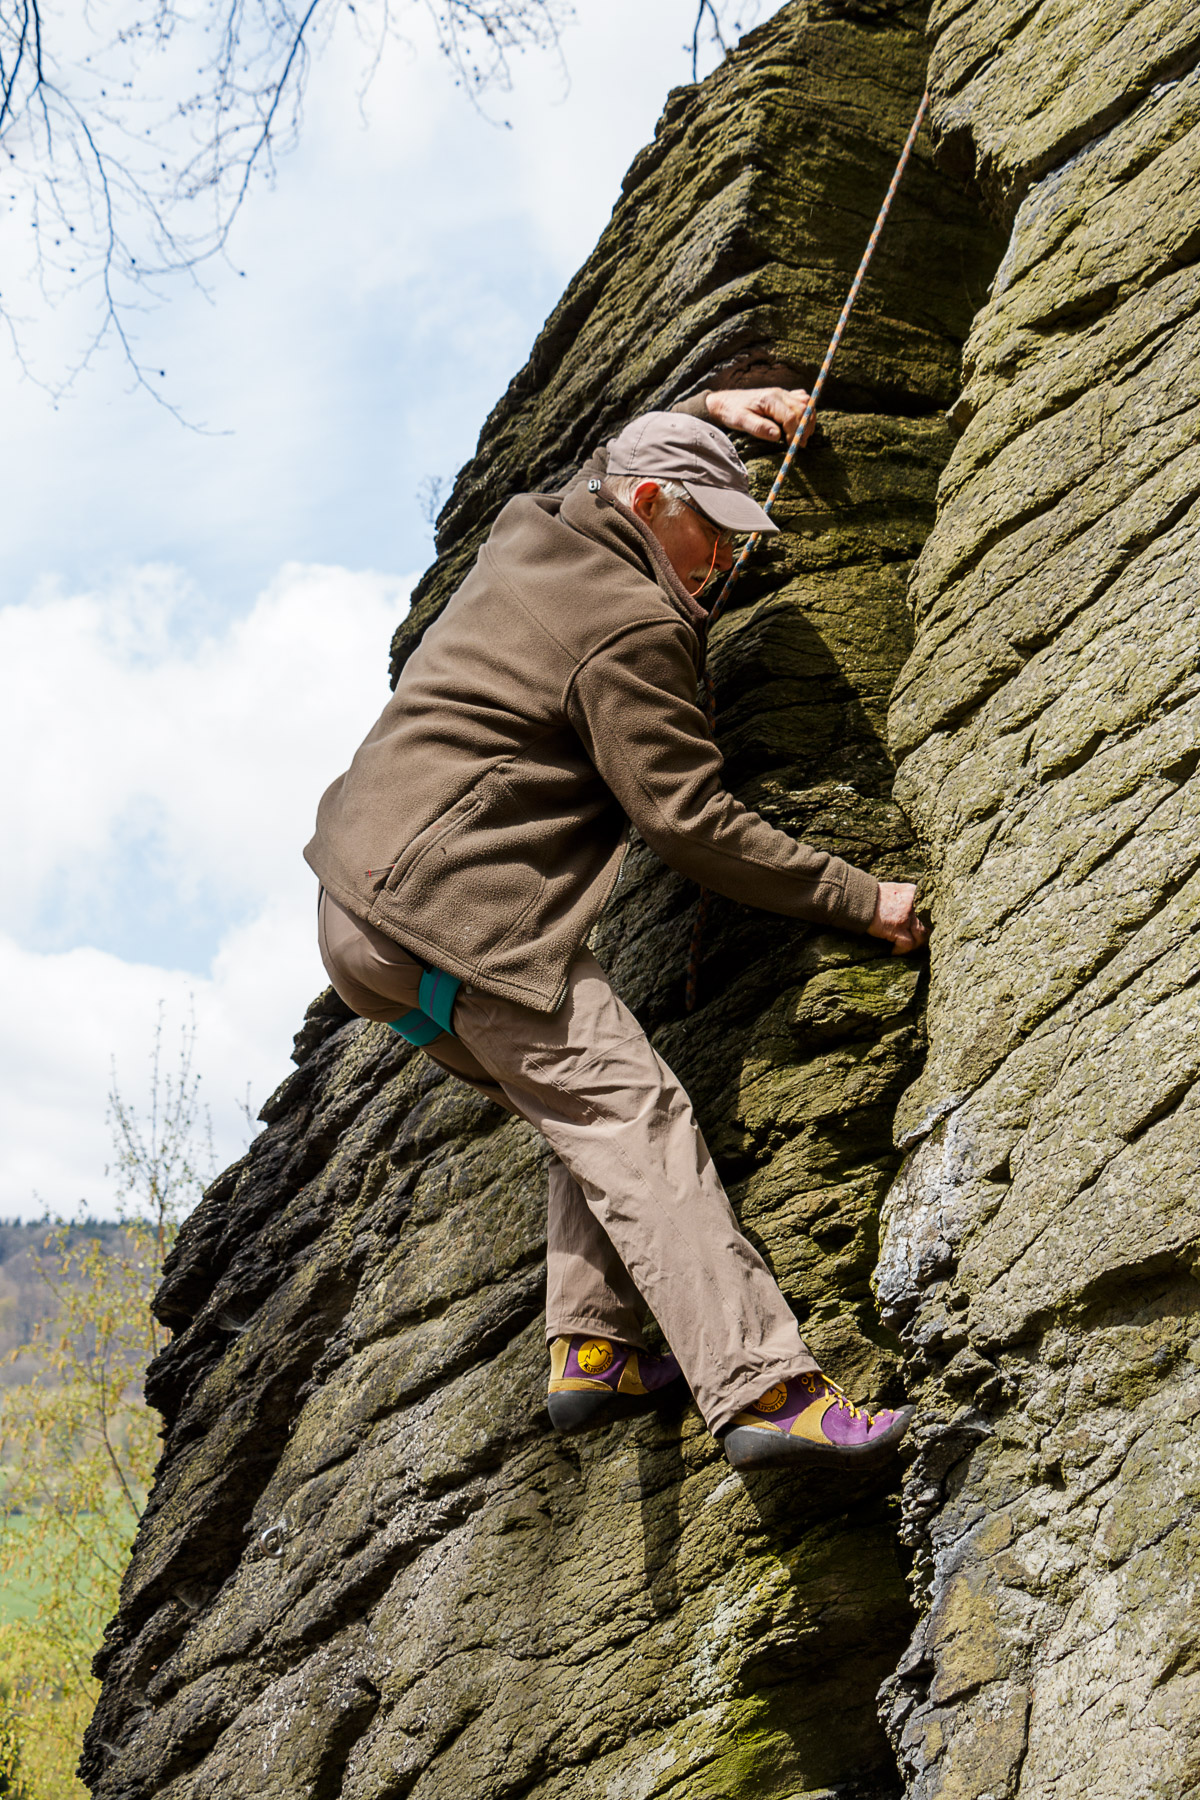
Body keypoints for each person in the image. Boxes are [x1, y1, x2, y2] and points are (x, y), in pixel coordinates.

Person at [305, 387, 927, 1470]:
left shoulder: (535, 529)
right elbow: (688, 822)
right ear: (646, 503)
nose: (725, 559)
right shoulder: (632, 625)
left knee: (583, 1111)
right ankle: (766, 1389)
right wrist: (856, 896)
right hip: (454, 910)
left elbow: (620, 447)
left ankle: (594, 1344)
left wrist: (719, 406)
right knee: (635, 1119)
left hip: (358, 927)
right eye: (710, 529)